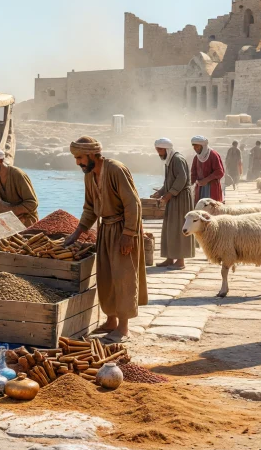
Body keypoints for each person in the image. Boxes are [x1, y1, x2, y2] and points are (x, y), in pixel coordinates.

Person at [63, 136, 146, 343]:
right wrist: (76, 233)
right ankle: (111, 321)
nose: (78, 163)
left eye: (80, 158)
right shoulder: (89, 175)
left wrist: (128, 234)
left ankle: (123, 328)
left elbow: (133, 204)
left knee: (123, 277)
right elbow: (89, 207)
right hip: (105, 229)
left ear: (92, 154)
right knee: (106, 277)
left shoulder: (116, 169)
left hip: (122, 228)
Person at [152, 137, 195, 267]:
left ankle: (180, 260)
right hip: (173, 198)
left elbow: (182, 178)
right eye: (157, 150)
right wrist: (160, 192)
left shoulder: (177, 159)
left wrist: (169, 194)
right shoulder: (169, 160)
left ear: (166, 149)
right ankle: (169, 258)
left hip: (181, 199)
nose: (158, 153)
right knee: (170, 227)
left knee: (180, 227)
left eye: (160, 150)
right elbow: (169, 181)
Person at [0, 146, 38, 225]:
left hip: (26, 223)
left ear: (0, 161)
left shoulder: (18, 175)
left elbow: (32, 203)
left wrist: (11, 211)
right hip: (8, 222)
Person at [190, 136, 225, 202]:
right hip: (200, 188)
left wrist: (206, 180)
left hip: (212, 187)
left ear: (203, 146)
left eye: (197, 146)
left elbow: (219, 172)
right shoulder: (196, 158)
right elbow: (193, 173)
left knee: (211, 206)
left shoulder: (213, 155)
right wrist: (190, 185)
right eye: (194, 146)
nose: (195, 148)